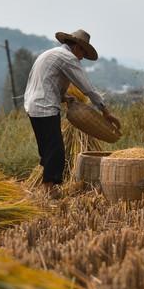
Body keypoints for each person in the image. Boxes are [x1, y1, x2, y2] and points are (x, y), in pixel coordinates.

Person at [24, 29, 121, 197]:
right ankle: (49, 189)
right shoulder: (67, 58)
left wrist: (64, 97)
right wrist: (105, 111)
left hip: (33, 106)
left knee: (47, 149)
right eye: (82, 51)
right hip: (45, 107)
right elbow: (87, 88)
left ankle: (48, 187)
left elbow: (47, 82)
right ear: (76, 46)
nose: (82, 56)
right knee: (56, 149)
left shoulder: (50, 53)